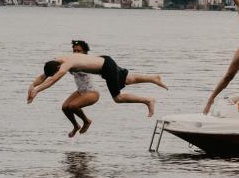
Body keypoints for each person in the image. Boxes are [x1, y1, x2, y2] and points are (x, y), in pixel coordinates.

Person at [28, 49, 168, 123]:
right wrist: (32, 86)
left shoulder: (66, 64)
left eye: (58, 71)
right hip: (104, 60)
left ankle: (148, 100)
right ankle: (153, 78)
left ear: (59, 67)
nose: (59, 72)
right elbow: (44, 76)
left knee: (117, 98)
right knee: (128, 79)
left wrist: (37, 91)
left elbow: (53, 80)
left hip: (106, 67)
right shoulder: (58, 59)